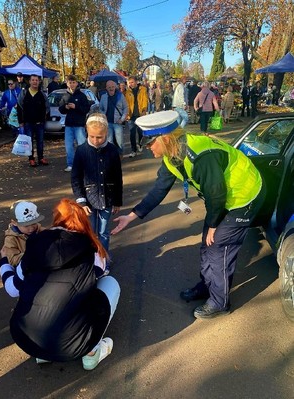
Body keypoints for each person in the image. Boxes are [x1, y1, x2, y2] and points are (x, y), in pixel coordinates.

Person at [111, 110, 266, 319]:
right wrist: (131, 216)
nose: (147, 148)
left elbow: (216, 193)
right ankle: (207, 286)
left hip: (244, 196)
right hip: (223, 198)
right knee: (207, 244)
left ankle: (220, 302)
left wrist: (213, 225)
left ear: (165, 139)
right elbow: (158, 190)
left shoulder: (201, 155)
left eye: (149, 143)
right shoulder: (171, 156)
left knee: (219, 246)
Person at [0, 198, 120, 370]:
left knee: (32, 289)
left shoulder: (33, 245)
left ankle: (42, 355)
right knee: (109, 283)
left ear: (56, 220)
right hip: (71, 345)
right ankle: (91, 352)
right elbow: (99, 274)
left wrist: (4, 261)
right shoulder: (90, 248)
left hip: (27, 339)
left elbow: (12, 289)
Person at [71, 113, 123, 254]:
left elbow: (118, 176)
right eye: (92, 136)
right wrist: (81, 201)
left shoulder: (112, 150)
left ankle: (104, 257)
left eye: (99, 137)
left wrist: (117, 200)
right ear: (87, 132)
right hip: (89, 199)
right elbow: (76, 177)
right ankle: (92, 258)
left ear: (106, 133)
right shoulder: (81, 151)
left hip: (108, 197)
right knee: (91, 231)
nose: (95, 140)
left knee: (103, 231)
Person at [58, 75, 90, 172]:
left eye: (73, 82)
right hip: (68, 125)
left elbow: (86, 109)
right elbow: (61, 109)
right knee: (69, 146)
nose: (71, 84)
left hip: (79, 125)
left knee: (82, 145)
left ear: (76, 83)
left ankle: (84, 164)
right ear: (67, 84)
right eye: (70, 83)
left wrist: (76, 106)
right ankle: (70, 164)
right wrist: (65, 108)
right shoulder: (65, 96)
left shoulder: (82, 96)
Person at [17, 74, 50, 167]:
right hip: (28, 123)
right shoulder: (24, 94)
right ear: (30, 81)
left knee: (40, 141)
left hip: (40, 123)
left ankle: (41, 158)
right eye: (33, 80)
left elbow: (47, 108)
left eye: (36, 80)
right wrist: (21, 122)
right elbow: (19, 108)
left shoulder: (42, 95)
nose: (35, 82)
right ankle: (31, 159)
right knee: (29, 142)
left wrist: (45, 119)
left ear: (39, 82)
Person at [3, 200, 44, 267]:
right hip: (25, 271)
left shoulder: (41, 230)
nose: (31, 228)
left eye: (33, 224)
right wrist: (33, 254)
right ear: (14, 223)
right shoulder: (11, 239)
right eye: (26, 226)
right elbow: (12, 260)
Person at [99, 80, 128, 159]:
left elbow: (125, 108)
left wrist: (122, 119)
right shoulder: (104, 97)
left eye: (112, 87)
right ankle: (112, 156)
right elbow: (100, 108)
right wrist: (103, 114)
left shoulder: (120, 96)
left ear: (115, 87)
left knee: (119, 141)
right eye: (109, 87)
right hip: (108, 123)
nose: (111, 88)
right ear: (106, 88)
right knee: (109, 141)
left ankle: (120, 154)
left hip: (118, 123)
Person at [125, 76, 149, 158]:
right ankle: (133, 150)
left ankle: (140, 144)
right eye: (129, 82)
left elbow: (145, 101)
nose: (130, 84)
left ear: (136, 82)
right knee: (132, 133)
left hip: (140, 114)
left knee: (140, 131)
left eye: (132, 82)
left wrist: (144, 110)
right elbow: (126, 103)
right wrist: (127, 113)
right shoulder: (127, 92)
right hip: (131, 115)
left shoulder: (143, 89)